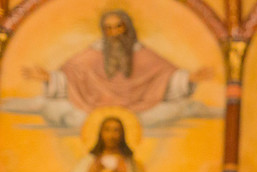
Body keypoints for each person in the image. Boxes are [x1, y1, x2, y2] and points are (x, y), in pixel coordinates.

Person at [21, 9, 209, 125]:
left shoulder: (142, 54)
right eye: (108, 29)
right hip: (94, 108)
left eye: (118, 27)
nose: (113, 33)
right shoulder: (93, 53)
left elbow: (165, 75)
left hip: (138, 110)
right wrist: (50, 78)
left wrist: (188, 79)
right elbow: (72, 73)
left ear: (127, 28)